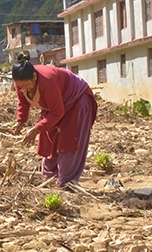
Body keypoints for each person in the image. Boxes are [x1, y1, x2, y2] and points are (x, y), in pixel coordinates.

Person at [11, 53, 97, 189]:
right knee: (49, 141)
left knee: (69, 142)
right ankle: (49, 181)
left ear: (34, 77)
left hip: (76, 101)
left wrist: (35, 129)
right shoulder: (21, 83)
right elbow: (23, 101)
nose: (23, 89)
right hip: (55, 106)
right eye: (20, 86)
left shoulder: (48, 81)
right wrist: (20, 121)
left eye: (26, 85)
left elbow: (57, 112)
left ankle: (66, 184)